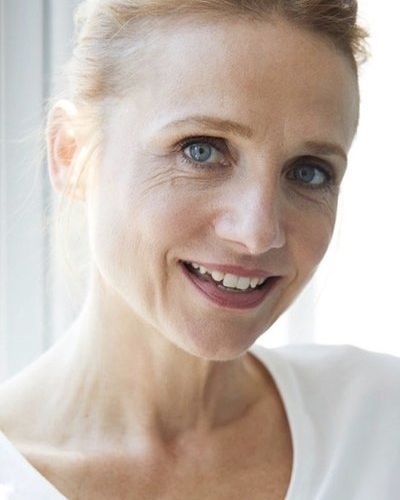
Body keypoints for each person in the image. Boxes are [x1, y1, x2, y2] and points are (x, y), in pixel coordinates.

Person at [0, 0, 399, 499]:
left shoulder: (382, 427)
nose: (257, 233)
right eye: (201, 150)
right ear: (71, 154)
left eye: (308, 172)